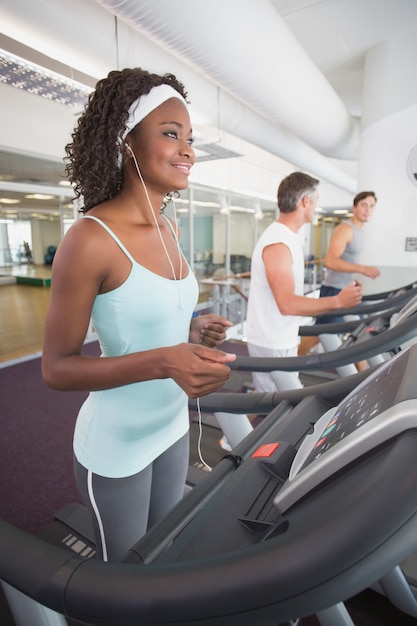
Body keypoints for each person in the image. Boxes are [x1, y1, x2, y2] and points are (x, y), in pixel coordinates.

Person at [41, 68, 236, 562]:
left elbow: (151, 321)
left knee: (163, 551)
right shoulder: (89, 239)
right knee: (123, 580)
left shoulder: (169, 228)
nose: (188, 150)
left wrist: (194, 332)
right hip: (117, 440)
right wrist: (165, 360)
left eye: (190, 138)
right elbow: (56, 368)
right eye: (171, 134)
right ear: (125, 141)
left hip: (171, 426)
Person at [246, 171, 362, 393]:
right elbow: (287, 304)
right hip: (273, 342)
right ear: (305, 201)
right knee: (283, 404)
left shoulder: (287, 237)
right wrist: (337, 302)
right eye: (316, 201)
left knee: (271, 401)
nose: (316, 206)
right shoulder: (278, 243)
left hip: (279, 338)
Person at [316, 191, 380, 325]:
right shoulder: (345, 230)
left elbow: (348, 260)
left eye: (371, 206)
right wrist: (362, 269)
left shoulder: (359, 231)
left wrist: (353, 278)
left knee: (360, 327)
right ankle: (299, 347)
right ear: (355, 207)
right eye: (364, 205)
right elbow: (330, 261)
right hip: (334, 289)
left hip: (348, 288)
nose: (368, 210)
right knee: (319, 334)